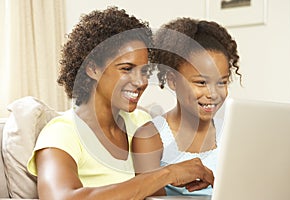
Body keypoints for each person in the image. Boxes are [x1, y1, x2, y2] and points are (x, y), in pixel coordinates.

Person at [26, 8, 214, 200]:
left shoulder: (141, 122)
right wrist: (168, 174)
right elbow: (61, 198)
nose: (141, 82)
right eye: (126, 68)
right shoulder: (62, 132)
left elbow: (157, 189)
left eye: (144, 72)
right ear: (92, 68)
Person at [132, 18, 242, 196]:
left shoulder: (231, 133)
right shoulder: (149, 137)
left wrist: (215, 180)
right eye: (201, 82)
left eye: (221, 82)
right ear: (172, 81)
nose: (213, 93)